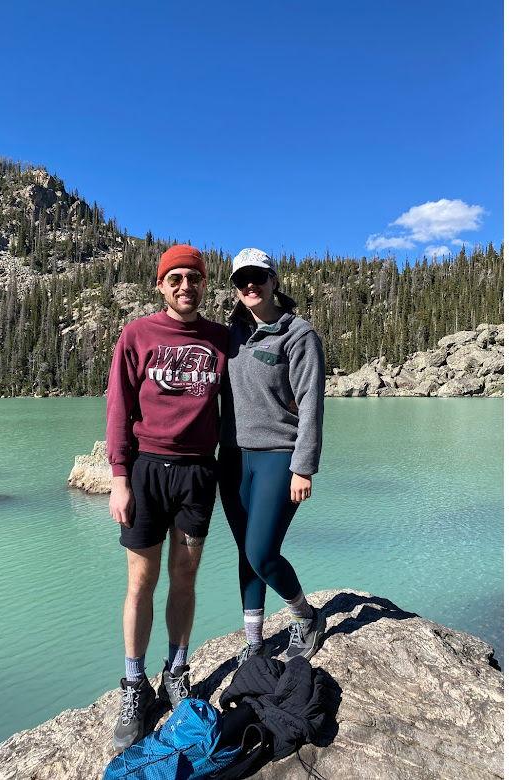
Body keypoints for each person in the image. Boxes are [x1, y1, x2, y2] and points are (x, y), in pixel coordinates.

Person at [105, 244, 228, 751]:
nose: (184, 286)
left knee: (185, 577)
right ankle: (134, 685)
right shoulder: (136, 335)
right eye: (174, 278)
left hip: (198, 474)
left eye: (193, 278)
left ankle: (176, 671)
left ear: (204, 284)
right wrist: (118, 476)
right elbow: (119, 405)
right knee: (141, 581)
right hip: (147, 469)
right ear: (160, 285)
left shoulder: (222, 339)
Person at [218, 247, 326, 667]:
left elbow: (311, 405)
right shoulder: (231, 335)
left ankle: (305, 615)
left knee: (262, 551)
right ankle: (254, 639)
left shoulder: (298, 335)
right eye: (241, 279)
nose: (250, 285)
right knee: (246, 551)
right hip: (231, 458)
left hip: (278, 457)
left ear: (274, 280)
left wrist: (304, 467)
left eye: (258, 277)